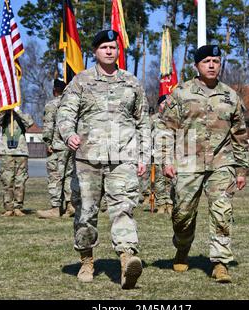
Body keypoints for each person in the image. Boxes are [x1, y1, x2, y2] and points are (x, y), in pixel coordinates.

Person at [57, 30, 150, 289]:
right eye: (104, 47)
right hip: (88, 158)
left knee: (124, 209)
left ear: (118, 51)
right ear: (95, 52)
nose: (109, 51)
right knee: (86, 213)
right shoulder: (81, 81)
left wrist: (143, 155)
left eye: (113, 47)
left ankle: (127, 260)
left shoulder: (132, 83)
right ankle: (87, 260)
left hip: (123, 158)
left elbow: (143, 122)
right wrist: (69, 134)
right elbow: (65, 113)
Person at [155, 45, 249, 283]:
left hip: (221, 163)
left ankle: (220, 263)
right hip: (187, 163)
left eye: (216, 61)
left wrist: (240, 168)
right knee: (182, 215)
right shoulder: (181, 93)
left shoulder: (231, 96)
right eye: (206, 61)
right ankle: (182, 247)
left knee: (221, 212)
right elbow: (165, 129)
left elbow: (239, 134)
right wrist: (166, 160)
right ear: (196, 65)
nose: (211, 65)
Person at [37, 79, 75, 219]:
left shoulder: (52, 105)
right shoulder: (72, 104)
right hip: (71, 145)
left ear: (54, 91)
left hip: (57, 146)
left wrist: (47, 142)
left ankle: (55, 208)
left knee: (55, 176)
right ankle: (70, 205)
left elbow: (48, 125)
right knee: (69, 176)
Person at [0, 107, 34, 217]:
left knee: (20, 181)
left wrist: (18, 111)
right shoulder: (4, 115)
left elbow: (29, 123)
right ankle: (8, 208)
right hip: (6, 152)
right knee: (7, 181)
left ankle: (18, 207)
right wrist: (4, 109)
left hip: (21, 152)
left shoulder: (23, 114)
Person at [152, 95, 173, 215]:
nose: (166, 105)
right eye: (163, 103)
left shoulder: (174, 119)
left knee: (171, 179)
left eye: (168, 103)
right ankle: (161, 203)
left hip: (172, 153)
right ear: (159, 105)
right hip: (158, 153)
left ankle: (170, 203)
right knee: (159, 179)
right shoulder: (154, 119)